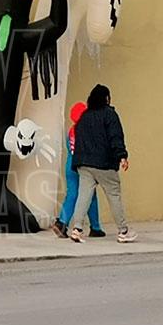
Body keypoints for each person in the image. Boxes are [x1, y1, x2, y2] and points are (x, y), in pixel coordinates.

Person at [68, 84, 136, 243]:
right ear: (107, 98)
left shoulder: (84, 117)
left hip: (84, 164)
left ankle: (77, 229)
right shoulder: (109, 114)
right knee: (114, 195)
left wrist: (79, 161)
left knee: (83, 196)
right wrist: (122, 156)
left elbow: (79, 140)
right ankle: (123, 231)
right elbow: (115, 136)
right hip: (104, 163)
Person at [51, 102, 105, 238]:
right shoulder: (88, 132)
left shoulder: (72, 131)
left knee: (72, 194)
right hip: (84, 166)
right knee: (91, 195)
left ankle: (62, 222)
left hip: (70, 165)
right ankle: (95, 227)